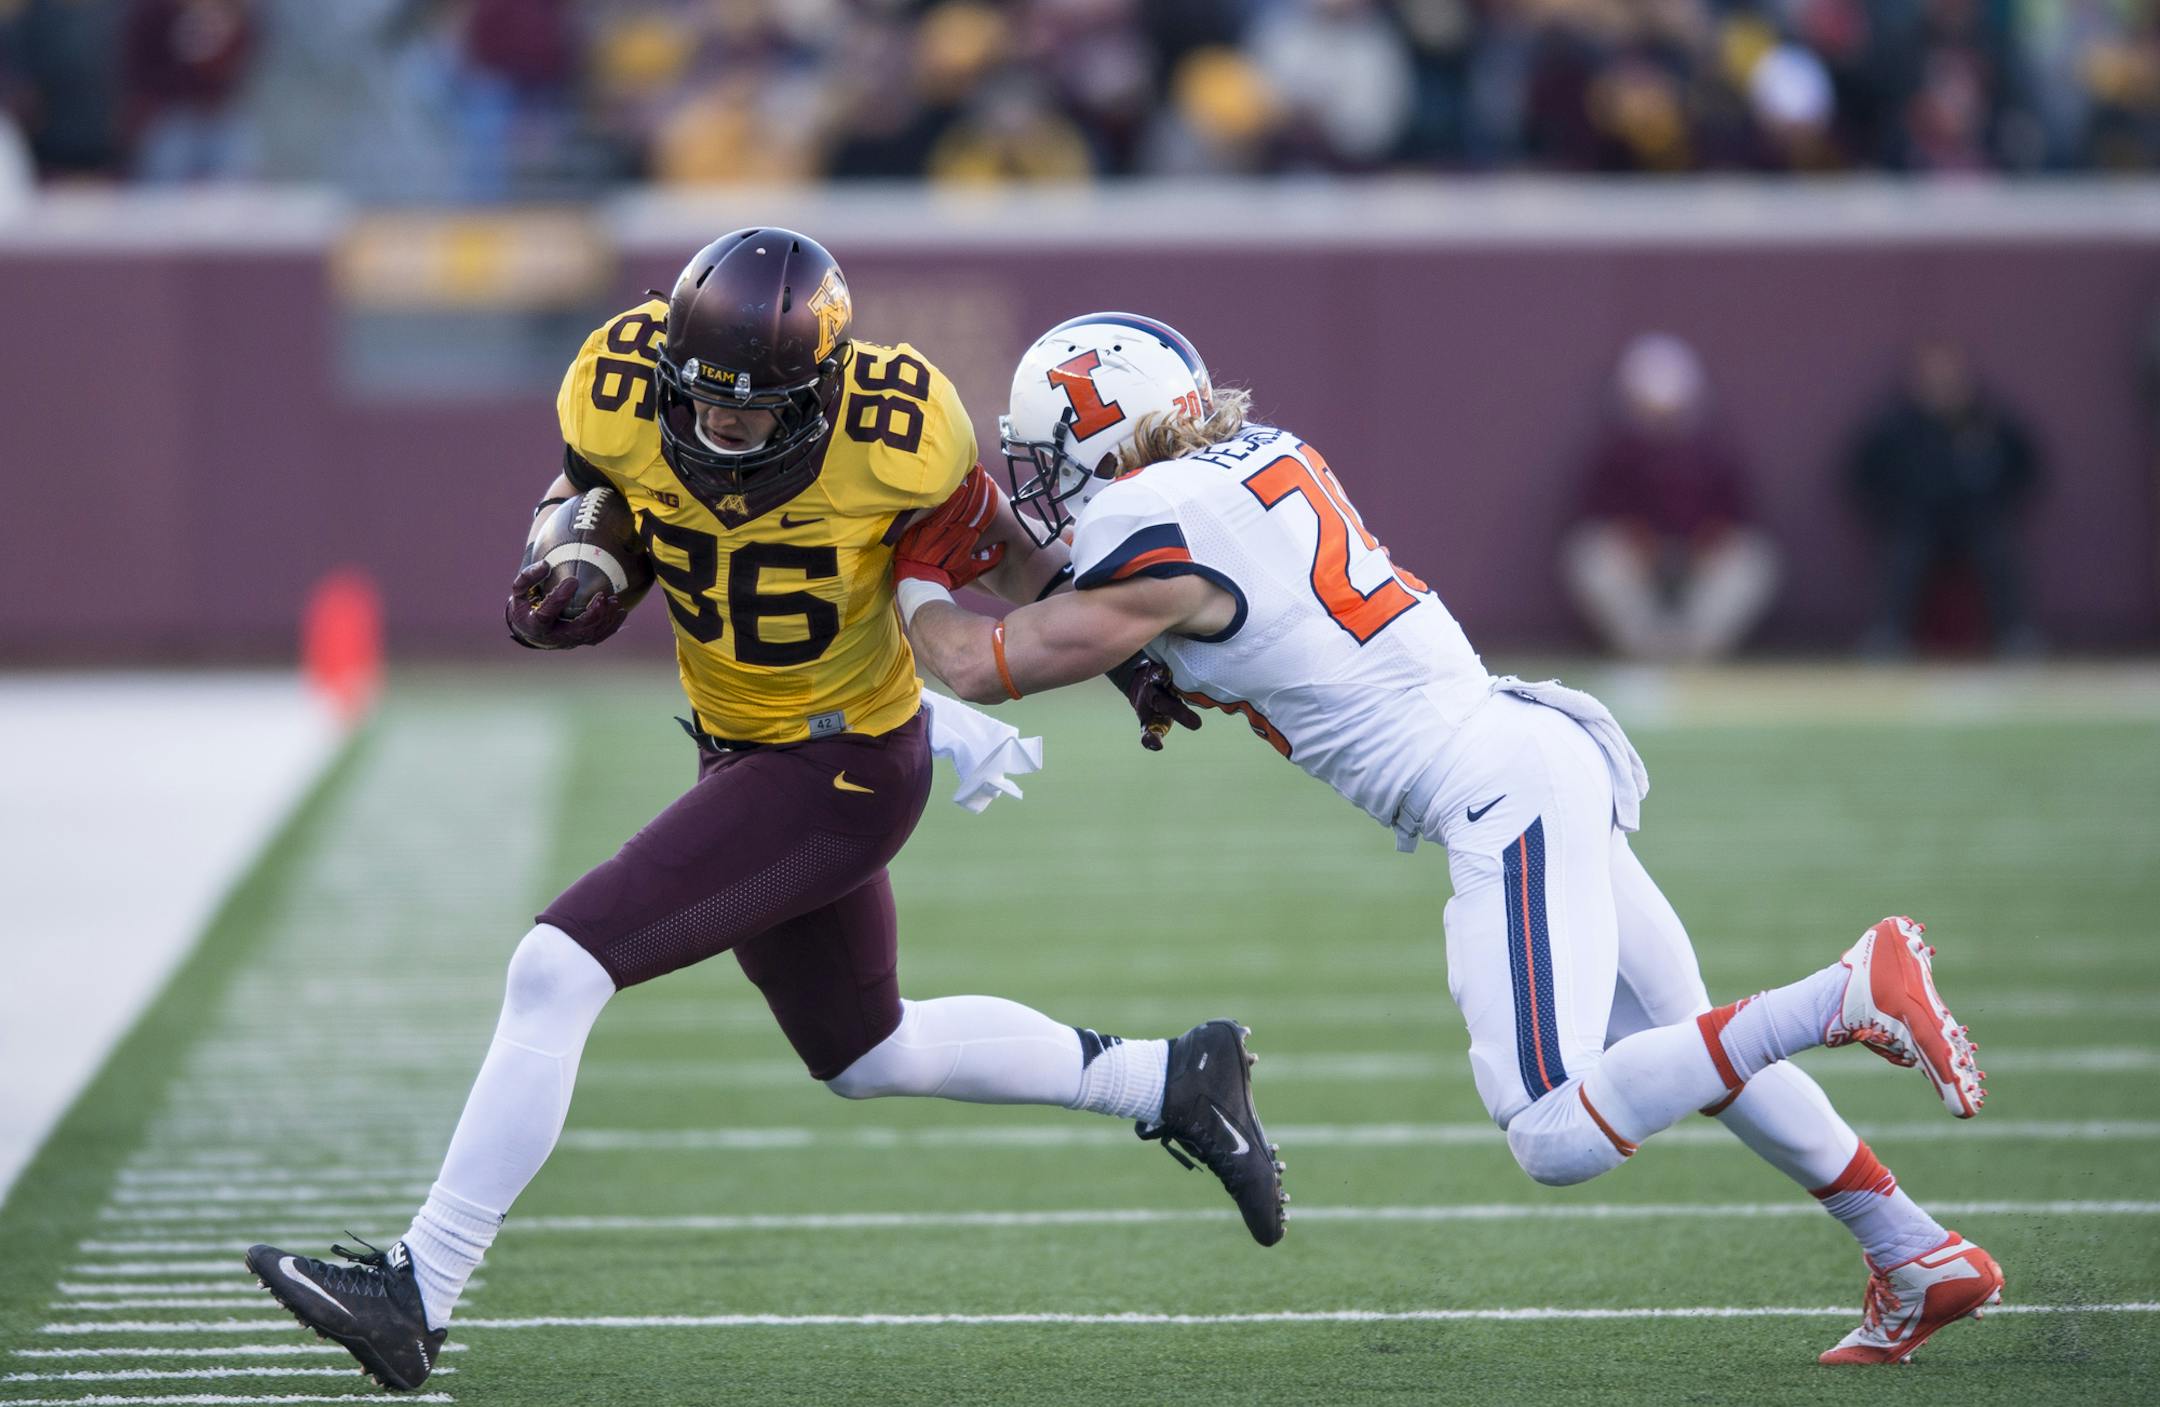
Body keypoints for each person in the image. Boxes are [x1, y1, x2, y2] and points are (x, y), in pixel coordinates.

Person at [242, 233, 1285, 1392]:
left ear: (822, 387)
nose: (722, 426)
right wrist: (576, 560)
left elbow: (1002, 552)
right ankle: (1171, 1079)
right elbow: (590, 496)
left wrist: (1128, 656)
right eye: (703, 399)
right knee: (869, 1053)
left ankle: (420, 1288)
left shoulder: (899, 430)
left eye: (752, 409)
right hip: (742, 750)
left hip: (841, 769)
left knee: (556, 968)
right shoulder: (616, 382)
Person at [895, 311, 2002, 1367]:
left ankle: (1841, 993)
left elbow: (977, 663)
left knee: (1554, 1130)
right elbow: (1114, 599)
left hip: (1494, 792)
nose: (1043, 481)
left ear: (1098, 437)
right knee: (1690, 1045)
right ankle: (1914, 1250)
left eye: (1048, 454)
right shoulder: (1253, 457)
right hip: (1526, 743)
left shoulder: (1147, 524)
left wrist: (905, 572)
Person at [1559, 332, 1780, 663]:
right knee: (1589, 556)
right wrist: (1633, 542)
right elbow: (1598, 517)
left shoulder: (1714, 453)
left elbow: (1735, 520)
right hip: (1638, 564)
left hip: (1699, 562)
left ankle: (1695, 648)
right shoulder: (1614, 454)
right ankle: (1646, 648)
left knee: (1753, 561)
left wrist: (1707, 544)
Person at [1847, 340, 2043, 657]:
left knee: (1997, 547)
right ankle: (1889, 636)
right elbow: (1863, 472)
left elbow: (2025, 463)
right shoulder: (1897, 425)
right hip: (1918, 521)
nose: (1942, 382)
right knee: (1904, 552)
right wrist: (1889, 509)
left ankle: (2014, 635)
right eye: (1933, 374)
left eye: (1949, 374)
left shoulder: (1986, 420)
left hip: (1973, 519)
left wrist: (1999, 501)